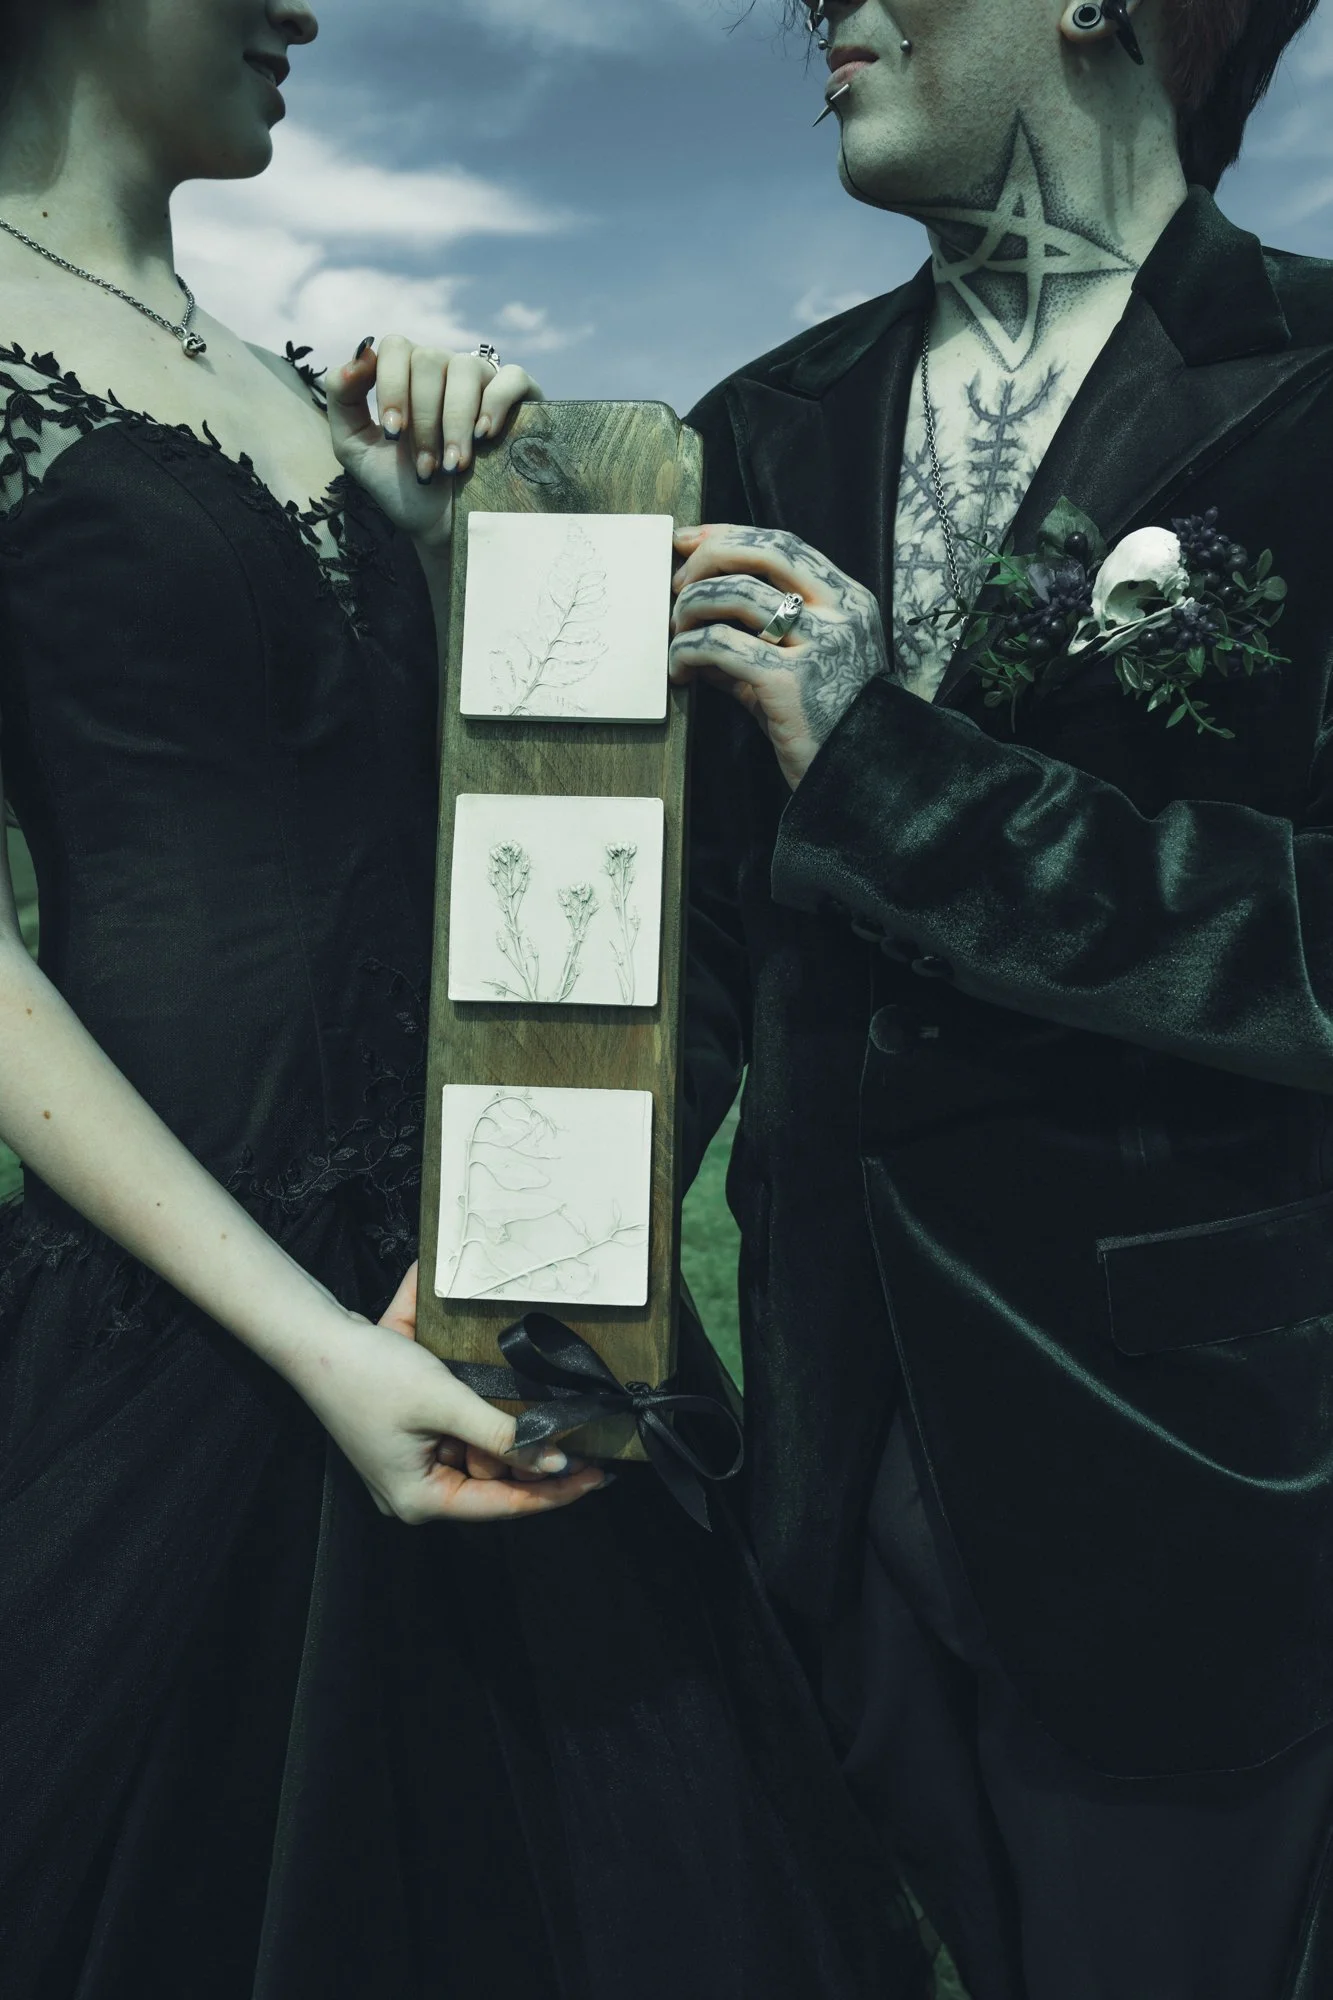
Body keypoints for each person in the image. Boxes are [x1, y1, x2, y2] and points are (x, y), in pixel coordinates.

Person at [0, 3, 934, 1995]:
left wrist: (470, 512)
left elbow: (467, 819)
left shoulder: (292, 382)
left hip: (474, 1280)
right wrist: (314, 1347)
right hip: (180, 1326)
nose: (306, 12)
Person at [671, 0, 1333, 1994]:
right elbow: (696, 956)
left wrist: (903, 781)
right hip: (808, 1497)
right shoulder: (761, 426)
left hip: (1183, 1503)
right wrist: (522, 1265)